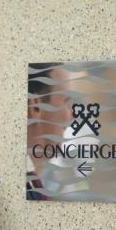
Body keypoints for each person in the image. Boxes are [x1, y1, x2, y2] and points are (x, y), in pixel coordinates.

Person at [27, 63, 72, 200]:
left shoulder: (34, 187)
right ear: (36, 107)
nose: (71, 116)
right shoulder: (27, 189)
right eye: (66, 102)